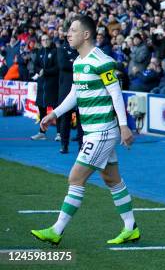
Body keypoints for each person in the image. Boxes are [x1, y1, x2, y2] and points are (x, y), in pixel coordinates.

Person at [31, 15, 138, 246]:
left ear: (86, 34)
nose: (68, 34)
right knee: (112, 179)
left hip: (102, 131)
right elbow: (75, 94)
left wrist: (124, 126)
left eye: (72, 30)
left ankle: (56, 230)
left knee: (76, 177)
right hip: (93, 131)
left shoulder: (101, 60)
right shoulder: (78, 61)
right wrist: (54, 114)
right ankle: (131, 227)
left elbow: (116, 93)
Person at [57, 33, 84, 153]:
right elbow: (63, 65)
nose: (70, 38)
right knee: (65, 117)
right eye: (69, 37)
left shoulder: (82, 49)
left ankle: (81, 145)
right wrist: (76, 63)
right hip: (66, 88)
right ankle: (64, 144)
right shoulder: (61, 49)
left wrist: (72, 62)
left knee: (81, 117)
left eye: (72, 36)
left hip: (80, 86)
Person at [31, 34, 60, 141]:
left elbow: (57, 68)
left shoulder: (55, 51)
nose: (45, 41)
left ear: (50, 40)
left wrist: (45, 71)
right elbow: (35, 66)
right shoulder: (40, 52)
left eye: (47, 39)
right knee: (41, 109)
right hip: (41, 85)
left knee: (56, 110)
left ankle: (59, 133)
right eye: (43, 40)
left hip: (52, 85)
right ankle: (42, 132)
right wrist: (39, 71)